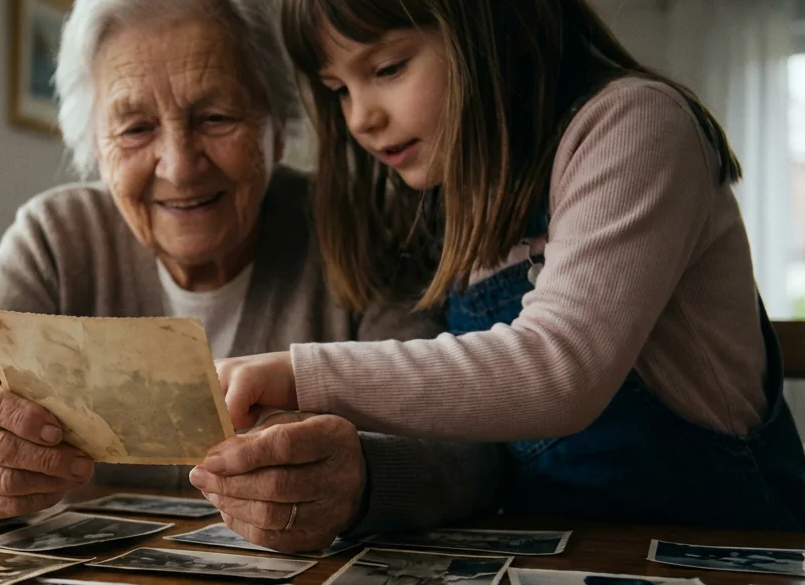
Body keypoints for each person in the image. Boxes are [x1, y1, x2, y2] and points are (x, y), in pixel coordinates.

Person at [0, 0, 502, 552]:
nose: (179, 167)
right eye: (135, 128)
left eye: (215, 118)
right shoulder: (56, 235)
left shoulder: (358, 229)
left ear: (274, 126)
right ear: (96, 148)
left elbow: (470, 449)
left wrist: (361, 477)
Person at [206, 0, 805, 531]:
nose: (360, 116)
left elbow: (558, 369)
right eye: (339, 89)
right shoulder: (447, 196)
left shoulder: (636, 125)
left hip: (729, 554)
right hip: (557, 561)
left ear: (491, 21)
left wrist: (301, 373)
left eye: (387, 69)